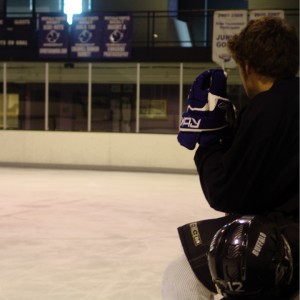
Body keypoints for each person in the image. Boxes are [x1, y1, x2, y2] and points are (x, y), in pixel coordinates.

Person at [161, 16, 299, 300]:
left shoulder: (265, 108)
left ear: (247, 67)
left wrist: (210, 141)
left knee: (181, 276)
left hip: (284, 240)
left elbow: (226, 193)